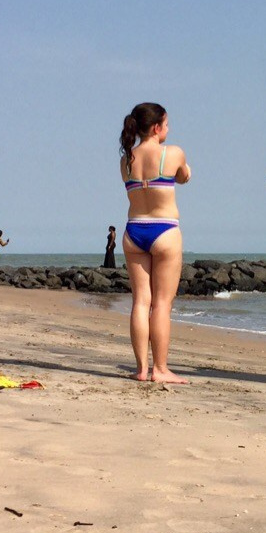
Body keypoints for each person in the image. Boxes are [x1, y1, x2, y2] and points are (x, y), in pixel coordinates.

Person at [119, 102, 192, 383]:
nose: (168, 129)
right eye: (167, 124)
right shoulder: (172, 153)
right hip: (164, 230)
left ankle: (141, 369)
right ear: (156, 127)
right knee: (161, 304)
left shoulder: (126, 161)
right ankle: (160, 369)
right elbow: (184, 176)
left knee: (140, 302)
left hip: (134, 230)